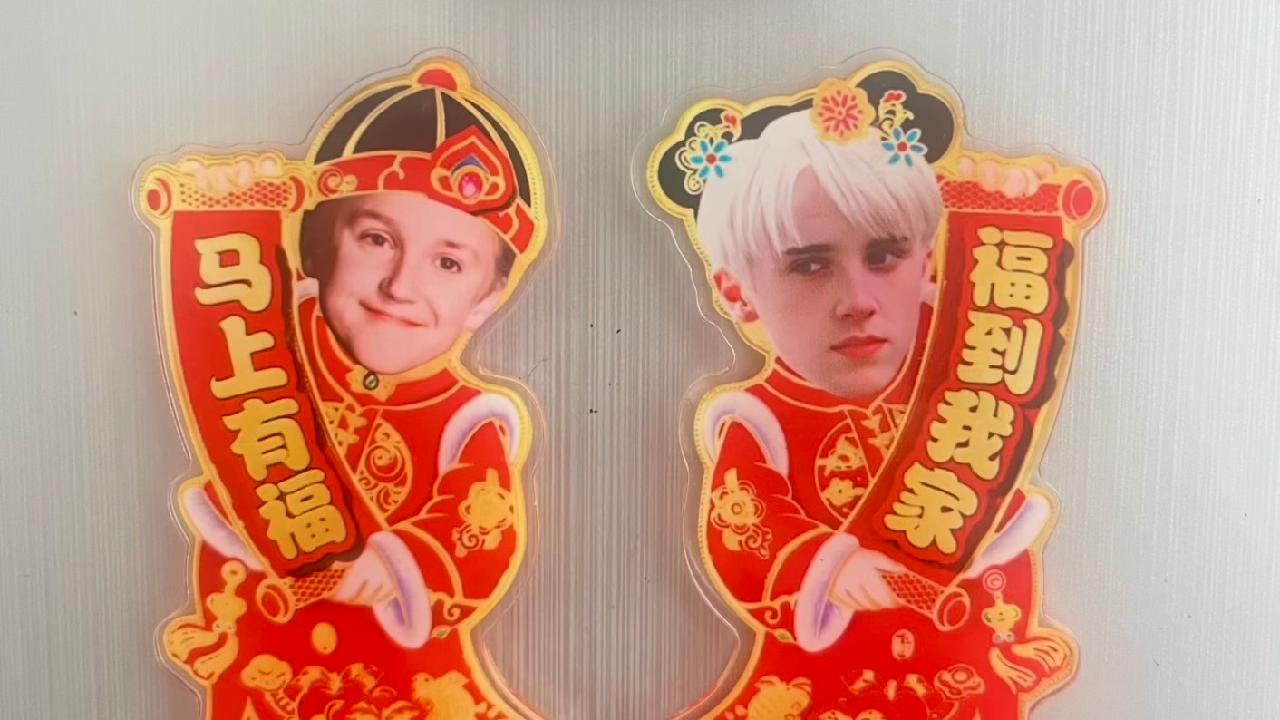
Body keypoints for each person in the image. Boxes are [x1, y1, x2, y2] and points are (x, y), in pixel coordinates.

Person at [653, 74, 1073, 719]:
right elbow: (746, 530)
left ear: (926, 264)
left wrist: (1002, 211)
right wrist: (830, 568)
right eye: (809, 265)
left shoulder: (958, 361)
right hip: (832, 684)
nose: (857, 300)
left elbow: (1002, 303)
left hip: (967, 659)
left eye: (884, 257)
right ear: (737, 292)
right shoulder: (760, 422)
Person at [164, 61, 545, 720]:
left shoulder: (467, 420)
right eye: (376, 239)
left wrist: (399, 564)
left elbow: (480, 530)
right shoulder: (269, 351)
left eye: (447, 262)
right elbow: (222, 308)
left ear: (487, 298)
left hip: (398, 690)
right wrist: (227, 214)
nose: (400, 285)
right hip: (263, 669)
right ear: (318, 244)